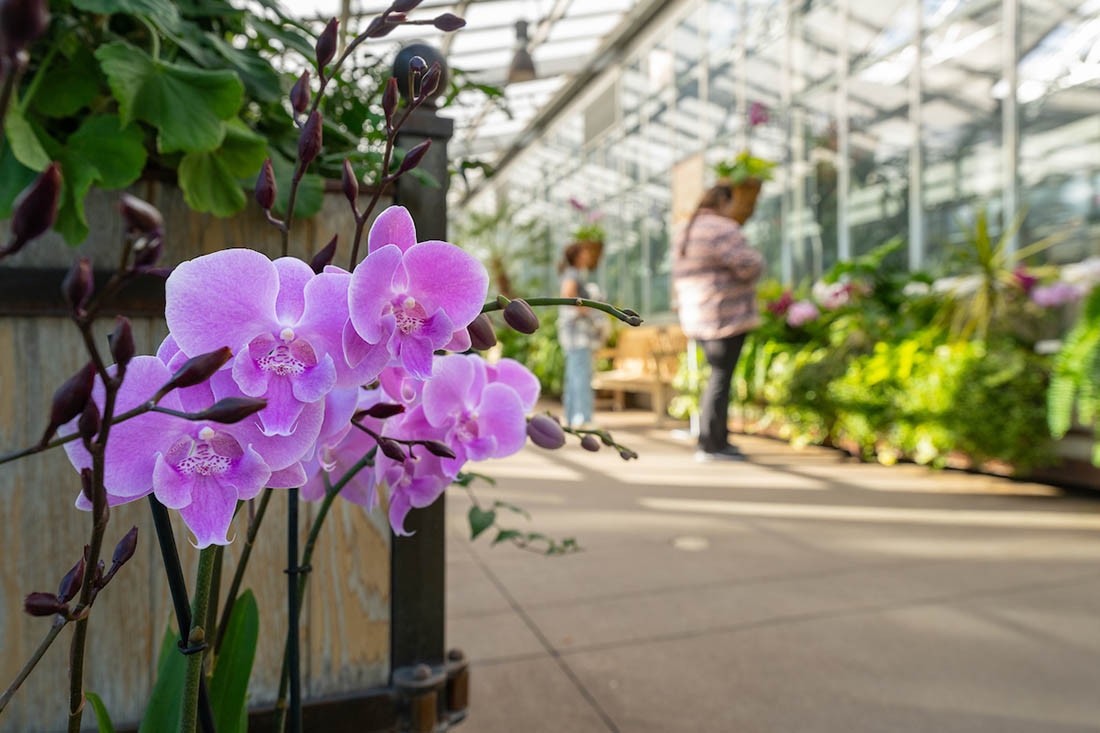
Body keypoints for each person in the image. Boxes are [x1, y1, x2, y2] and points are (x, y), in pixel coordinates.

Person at [672, 180, 765, 462]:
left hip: (697, 318)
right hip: (724, 316)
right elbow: (747, 265)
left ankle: (716, 439)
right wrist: (759, 260)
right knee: (721, 379)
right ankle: (711, 444)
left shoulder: (686, 231)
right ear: (725, 203)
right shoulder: (721, 228)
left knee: (716, 378)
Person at [557, 240, 606, 428]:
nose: (587, 256)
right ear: (576, 256)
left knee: (573, 377)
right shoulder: (572, 275)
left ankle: (571, 417)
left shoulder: (575, 275)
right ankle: (583, 418)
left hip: (574, 337)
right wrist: (591, 313)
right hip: (578, 337)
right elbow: (568, 299)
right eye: (584, 253)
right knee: (580, 377)